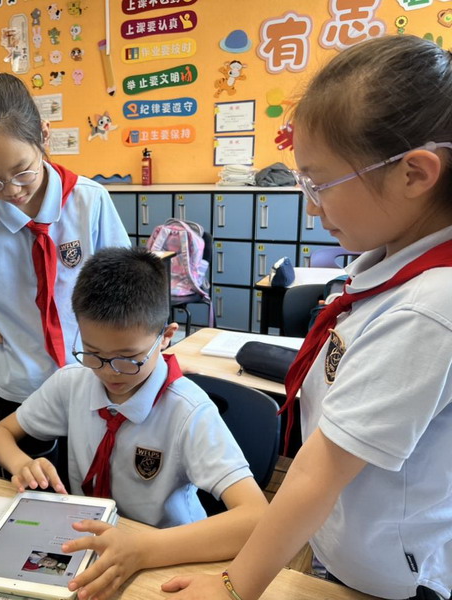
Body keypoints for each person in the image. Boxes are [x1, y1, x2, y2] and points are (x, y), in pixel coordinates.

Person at [163, 35, 452, 600]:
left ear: (414, 174)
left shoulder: (427, 308)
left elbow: (322, 470)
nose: (311, 205)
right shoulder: (387, 266)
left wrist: (232, 587)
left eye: (320, 184)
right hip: (352, 548)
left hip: (394, 581)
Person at [0, 247, 267, 600]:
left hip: (166, 554)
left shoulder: (188, 411)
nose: (109, 372)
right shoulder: (74, 382)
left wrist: (142, 549)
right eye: (93, 353)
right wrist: (21, 463)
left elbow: (257, 518)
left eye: (128, 359)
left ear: (166, 336)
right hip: (91, 548)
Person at [0, 72, 130, 470]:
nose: (12, 190)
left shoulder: (88, 202)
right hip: (19, 388)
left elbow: (124, 282)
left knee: (97, 481)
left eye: (23, 171)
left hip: (94, 379)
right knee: (25, 490)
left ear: (44, 135)